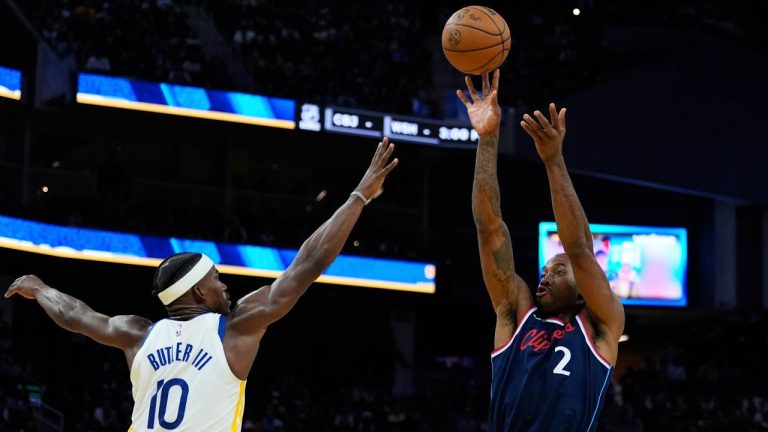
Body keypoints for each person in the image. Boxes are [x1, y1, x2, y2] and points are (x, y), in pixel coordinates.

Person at [4, 139, 399, 432]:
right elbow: (308, 263)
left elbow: (75, 315)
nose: (224, 287)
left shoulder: (137, 334)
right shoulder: (235, 326)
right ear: (197, 292)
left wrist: (40, 289)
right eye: (216, 280)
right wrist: (360, 194)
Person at [458, 70, 625, 431]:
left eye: (559, 271)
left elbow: (579, 248)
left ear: (584, 291)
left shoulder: (601, 327)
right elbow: (489, 229)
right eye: (546, 270)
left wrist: (552, 160)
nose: (546, 276)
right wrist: (488, 138)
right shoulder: (514, 312)